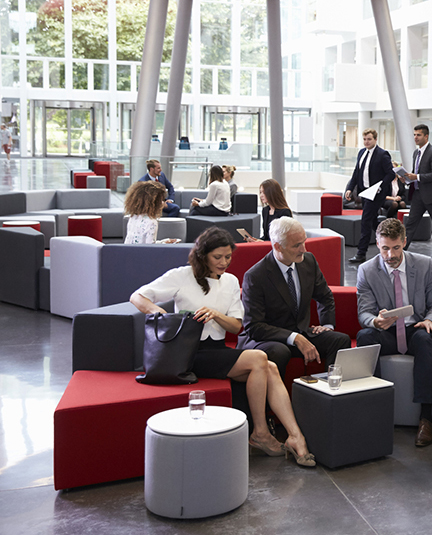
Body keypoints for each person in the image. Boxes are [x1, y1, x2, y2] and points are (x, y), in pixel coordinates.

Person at [129, 227, 315, 467]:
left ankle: (293, 436)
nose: (224, 262)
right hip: (189, 352)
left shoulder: (230, 281)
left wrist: (216, 315)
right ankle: (261, 433)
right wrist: (164, 315)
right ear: (203, 255)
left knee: (268, 367)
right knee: (260, 359)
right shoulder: (182, 275)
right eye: (218, 257)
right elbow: (137, 296)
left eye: (228, 257)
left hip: (216, 350)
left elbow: (236, 326)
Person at [356, 218, 432, 447]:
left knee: (426, 339)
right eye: (385, 248)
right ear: (377, 244)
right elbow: (364, 312)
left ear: (404, 242)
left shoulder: (424, 265)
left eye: (396, 248)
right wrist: (375, 321)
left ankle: (426, 417)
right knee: (365, 336)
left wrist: (429, 321)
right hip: (388, 331)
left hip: (416, 328)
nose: (390, 255)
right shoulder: (367, 270)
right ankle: (373, 410)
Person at [238, 217, 352, 378]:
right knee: (279, 351)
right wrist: (295, 338)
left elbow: (325, 296)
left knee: (340, 340)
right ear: (278, 246)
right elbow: (254, 326)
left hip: (301, 331)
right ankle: (271, 402)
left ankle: (330, 396)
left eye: (304, 242)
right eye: (297, 245)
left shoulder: (308, 261)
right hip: (267, 339)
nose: (303, 249)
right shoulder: (256, 276)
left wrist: (327, 325)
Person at [344, 128, 394, 263]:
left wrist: (380, 187)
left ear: (375, 139)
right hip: (365, 193)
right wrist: (349, 188)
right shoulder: (361, 153)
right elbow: (356, 173)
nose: (366, 142)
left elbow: (391, 174)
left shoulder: (383, 154)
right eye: (365, 139)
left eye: (369, 139)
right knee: (372, 222)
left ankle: (361, 253)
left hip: (377, 194)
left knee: (365, 220)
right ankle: (389, 238)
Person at [403, 124, 432, 264]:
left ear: (426, 136)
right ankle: (401, 250)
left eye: (418, 135)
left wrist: (416, 177)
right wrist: (406, 178)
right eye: (414, 135)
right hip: (418, 194)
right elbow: (415, 172)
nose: (415, 137)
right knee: (410, 224)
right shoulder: (416, 153)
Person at [122, 180, 180, 244]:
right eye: (161, 200)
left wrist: (162, 242)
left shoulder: (133, 217)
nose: (163, 203)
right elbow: (150, 249)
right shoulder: (152, 222)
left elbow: (139, 242)